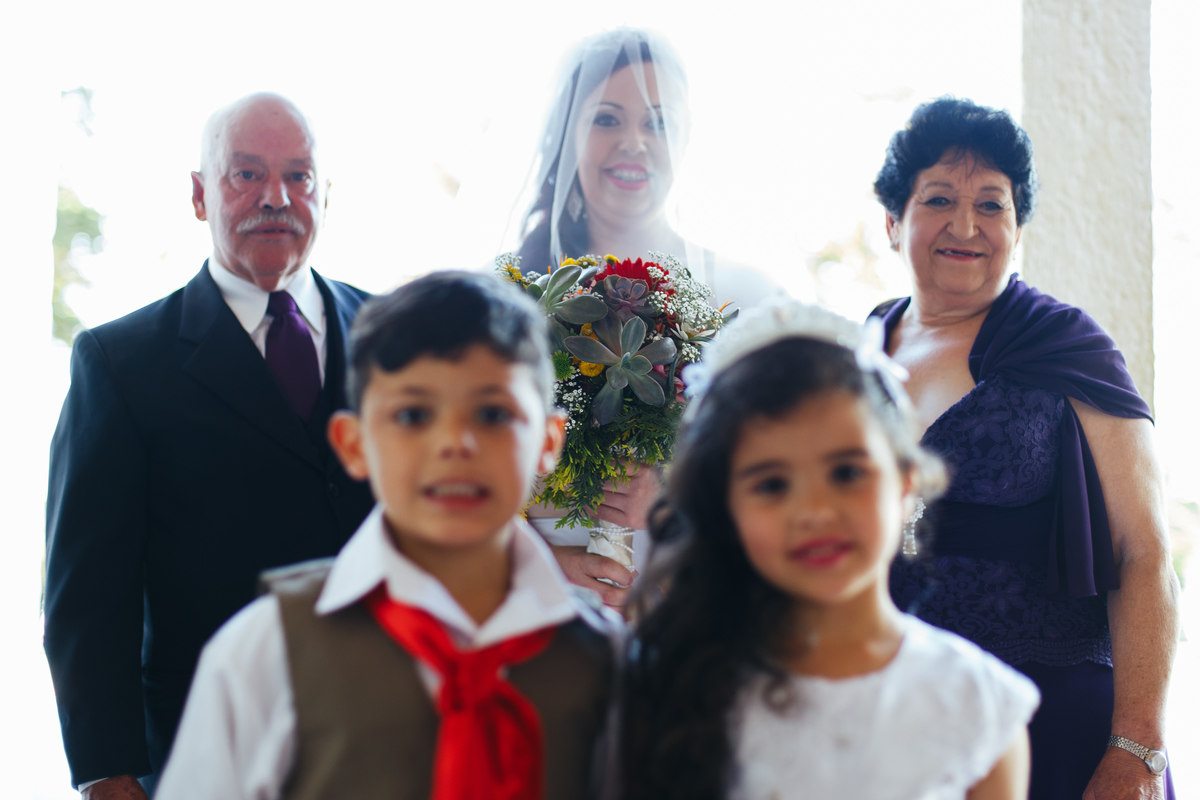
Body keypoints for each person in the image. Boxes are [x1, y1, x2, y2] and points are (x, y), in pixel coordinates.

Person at [155, 271, 620, 799]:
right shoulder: (265, 649)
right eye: (413, 414)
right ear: (353, 444)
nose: (455, 443)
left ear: (548, 441)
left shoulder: (604, 660)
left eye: (493, 413)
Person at [43, 93, 375, 798]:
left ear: (324, 193)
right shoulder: (120, 363)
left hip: (385, 739)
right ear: (199, 195)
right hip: (205, 753)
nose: (276, 198)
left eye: (298, 176)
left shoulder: (393, 336)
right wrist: (108, 774)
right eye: (246, 174)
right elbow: (87, 598)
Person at [872, 96, 1179, 800]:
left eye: (992, 204)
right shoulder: (861, 347)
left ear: (1017, 228)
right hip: (901, 716)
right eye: (939, 199)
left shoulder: (1068, 345)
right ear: (893, 221)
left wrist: (1136, 749)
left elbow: (1145, 551)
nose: (965, 226)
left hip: (1056, 718)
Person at [620, 299, 1039, 799]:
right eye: (772, 485)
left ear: (906, 483)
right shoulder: (674, 682)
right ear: (726, 508)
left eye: (846, 473)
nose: (815, 512)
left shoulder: (979, 707)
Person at [516, 28, 781, 607]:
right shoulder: (511, 297)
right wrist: (541, 562)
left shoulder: (745, 297)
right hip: (536, 603)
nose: (634, 142)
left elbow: (785, 470)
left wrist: (673, 500)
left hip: (691, 603)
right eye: (607, 119)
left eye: (657, 122)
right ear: (568, 134)